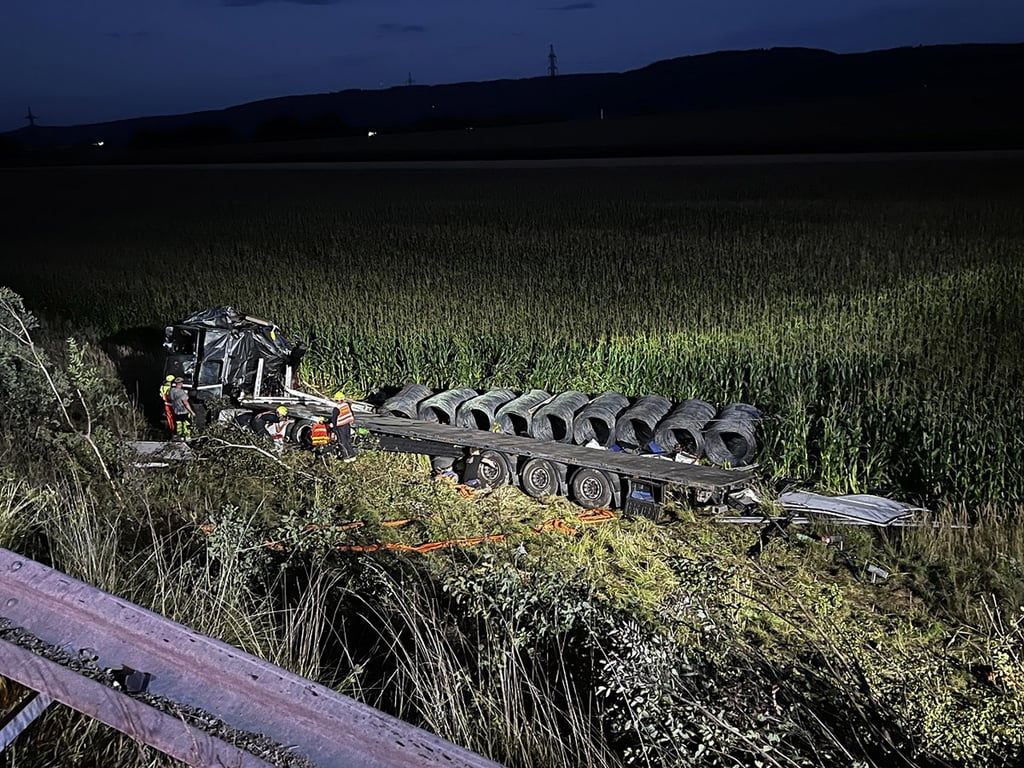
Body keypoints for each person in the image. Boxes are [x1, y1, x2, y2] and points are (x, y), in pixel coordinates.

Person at [330, 391, 356, 462]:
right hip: (347, 425)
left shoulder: (336, 408)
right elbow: (351, 413)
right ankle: (352, 455)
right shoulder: (347, 405)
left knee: (342, 441)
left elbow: (334, 419)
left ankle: (346, 456)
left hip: (340, 426)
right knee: (348, 440)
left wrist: (334, 430)